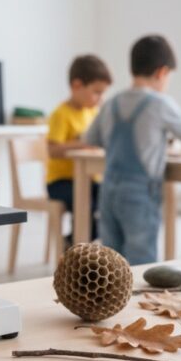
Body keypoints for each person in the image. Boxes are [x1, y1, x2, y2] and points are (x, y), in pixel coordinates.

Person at [85, 35, 181, 264]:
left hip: (109, 190)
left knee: (110, 263)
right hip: (140, 194)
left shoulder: (112, 102)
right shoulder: (160, 103)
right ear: (162, 72)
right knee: (141, 260)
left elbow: (91, 137)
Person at [47, 55, 112, 243]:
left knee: (111, 199)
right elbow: (52, 150)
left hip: (89, 179)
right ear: (77, 86)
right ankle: (75, 244)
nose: (100, 98)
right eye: (96, 92)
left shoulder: (92, 112)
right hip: (60, 182)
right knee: (86, 204)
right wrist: (82, 143)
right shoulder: (61, 114)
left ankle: (76, 241)